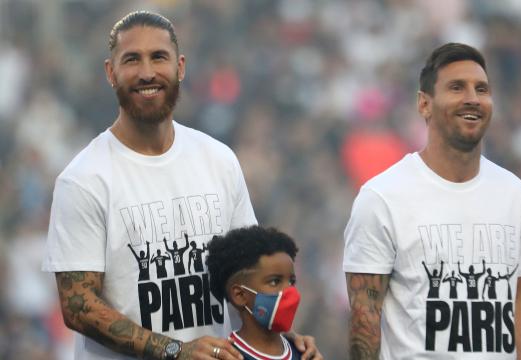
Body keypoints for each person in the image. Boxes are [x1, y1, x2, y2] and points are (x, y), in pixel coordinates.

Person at [43, 11, 319, 360]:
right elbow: (78, 307)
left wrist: (281, 338)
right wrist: (173, 350)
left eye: (159, 57)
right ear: (111, 73)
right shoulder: (83, 179)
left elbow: (248, 274)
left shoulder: (218, 160)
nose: (147, 72)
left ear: (181, 67)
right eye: (132, 60)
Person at [343, 43, 521, 359]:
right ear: (424, 105)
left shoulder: (516, 195)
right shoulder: (381, 198)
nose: (473, 98)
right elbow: (364, 321)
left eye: (482, 89)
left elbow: (520, 301)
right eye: (456, 88)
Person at [206, 226, 304, 360]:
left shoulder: (305, 353)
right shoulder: (226, 356)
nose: (290, 291)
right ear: (239, 295)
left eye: (292, 281)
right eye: (275, 281)